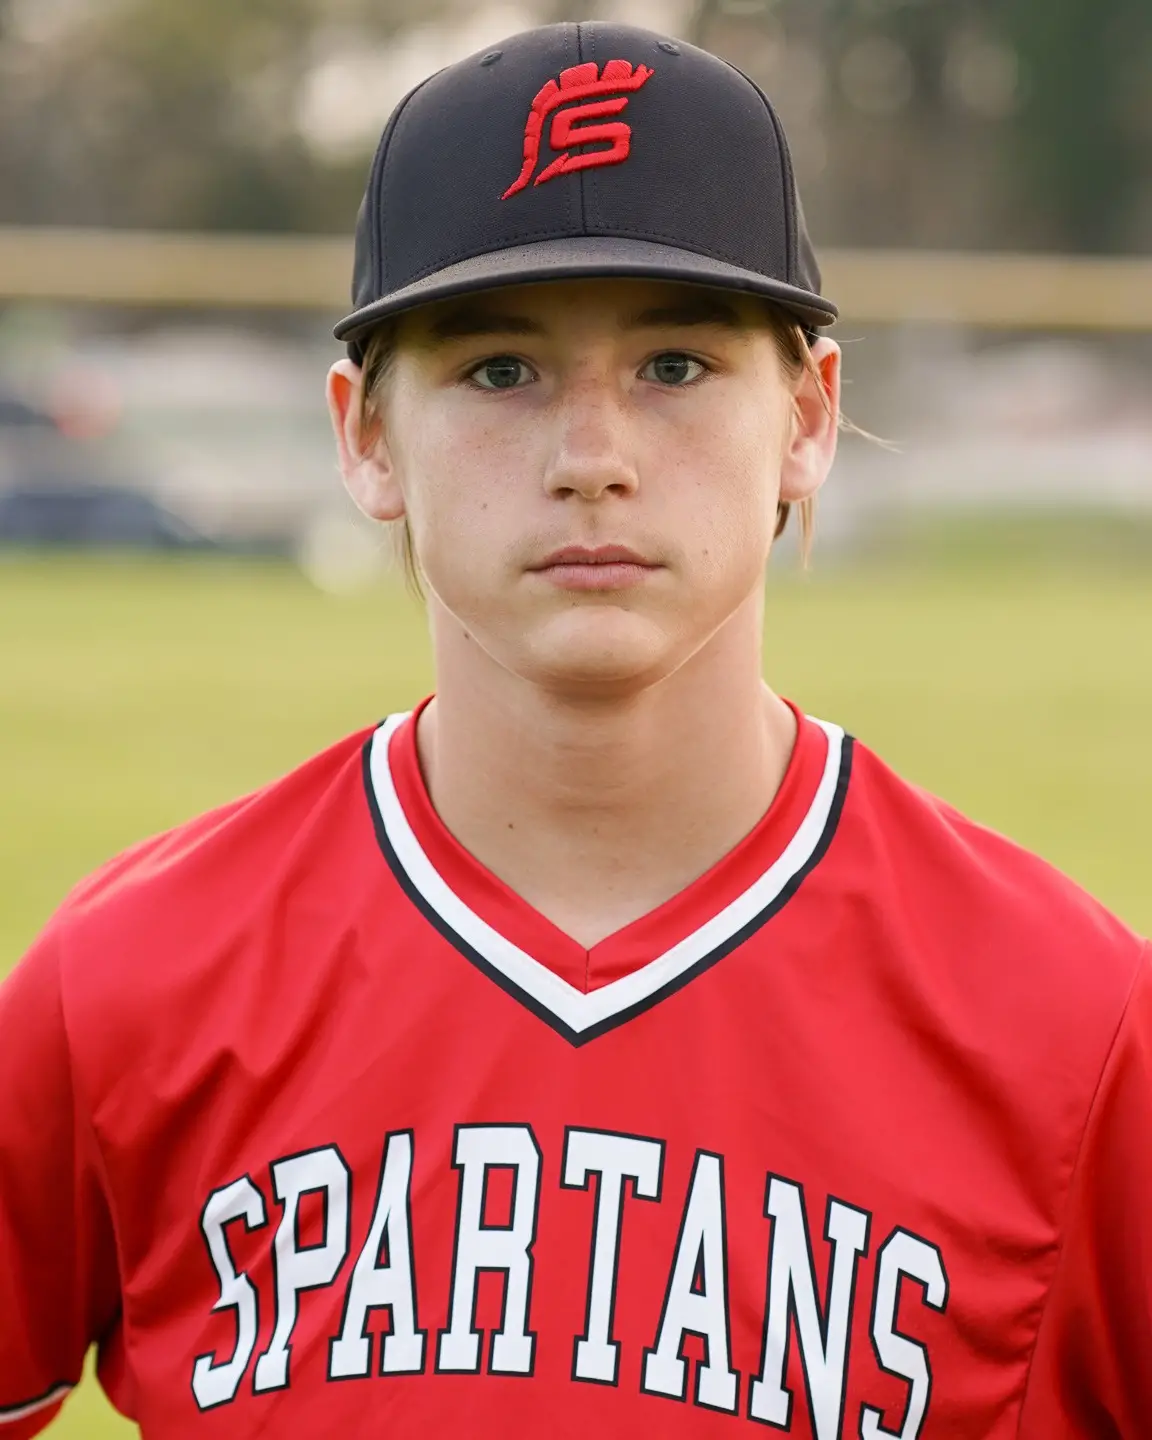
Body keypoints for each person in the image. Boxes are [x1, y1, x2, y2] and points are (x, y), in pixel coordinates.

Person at [1, 19, 1148, 1440]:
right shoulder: (130, 980)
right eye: (500, 370)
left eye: (676, 366)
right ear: (365, 436)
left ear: (808, 417)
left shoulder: (1076, 1030)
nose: (591, 459)